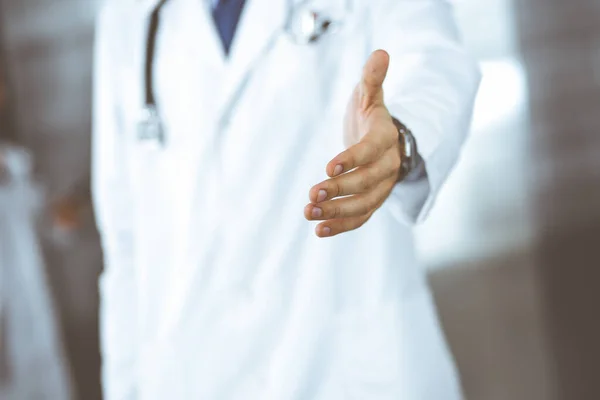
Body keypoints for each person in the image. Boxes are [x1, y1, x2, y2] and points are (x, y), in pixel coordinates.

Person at [93, 0, 480, 399]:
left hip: (344, 367)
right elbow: (125, 246)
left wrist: (401, 139)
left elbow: (435, 62)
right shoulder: (129, 17)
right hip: (193, 368)